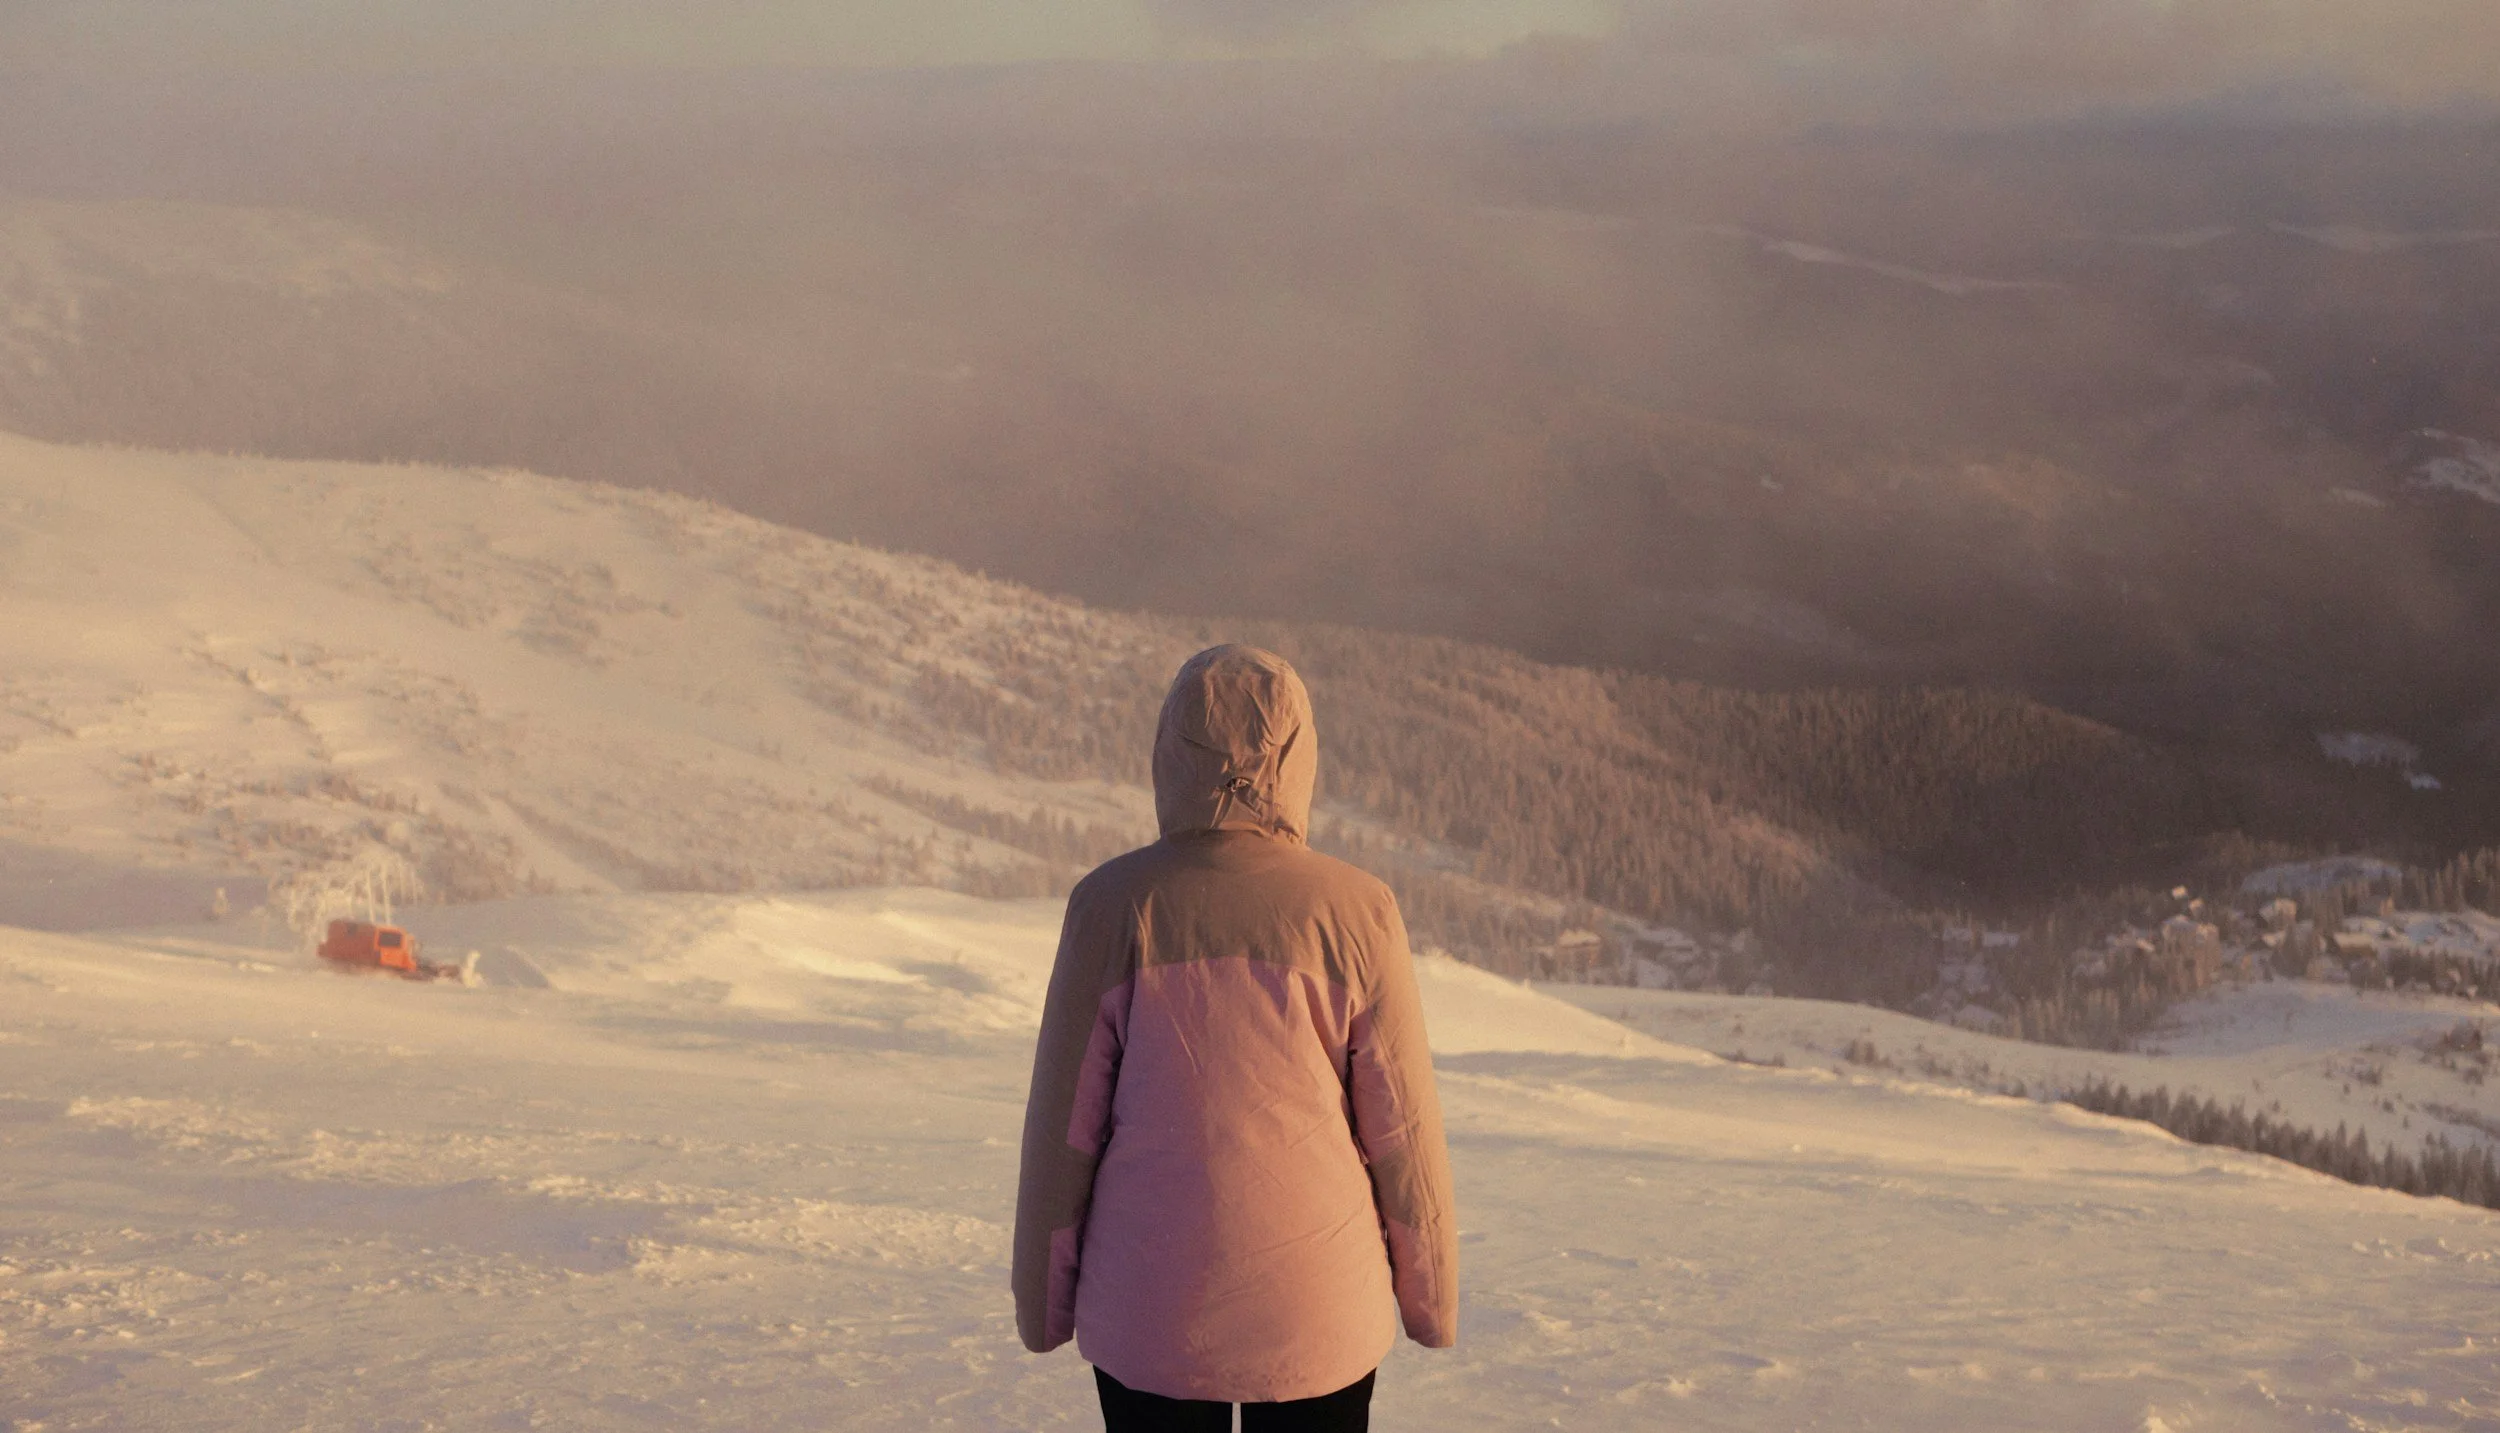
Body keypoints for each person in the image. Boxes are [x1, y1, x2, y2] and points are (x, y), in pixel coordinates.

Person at [1014, 644, 1459, 1432]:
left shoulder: (1111, 906)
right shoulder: (1357, 910)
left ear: (1168, 756)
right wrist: (1430, 1299)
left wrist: (1043, 1304)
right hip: (1316, 1305)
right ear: (1299, 759)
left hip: (1150, 1306)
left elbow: (1062, 1133)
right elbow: (1404, 1133)